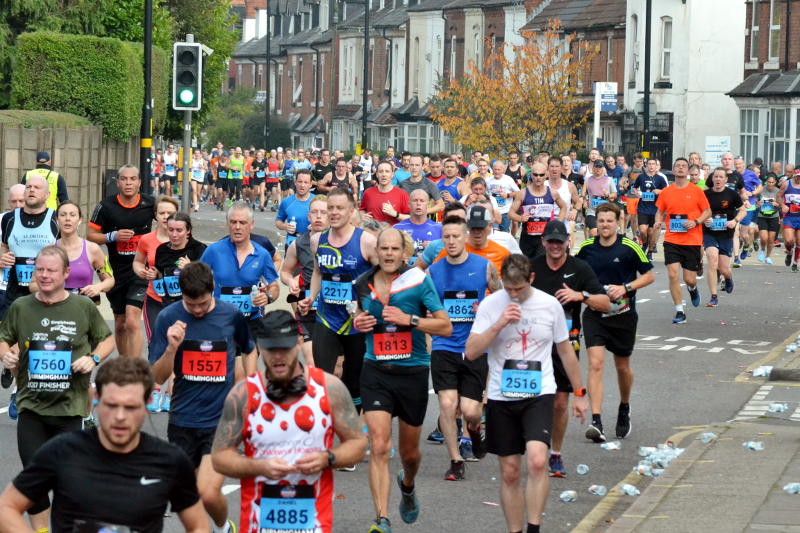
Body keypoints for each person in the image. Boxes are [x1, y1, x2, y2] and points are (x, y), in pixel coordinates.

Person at [0, 356, 208, 533]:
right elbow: (6, 508)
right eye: (111, 405)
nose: (120, 416)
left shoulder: (169, 460)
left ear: (147, 404)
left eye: (130, 407)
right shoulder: (62, 451)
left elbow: (199, 525)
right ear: (97, 399)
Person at [211, 310, 367, 533]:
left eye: (284, 348)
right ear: (259, 347)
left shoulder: (329, 388)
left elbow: (358, 445)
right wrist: (259, 466)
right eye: (270, 349)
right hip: (258, 524)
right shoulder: (243, 394)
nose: (277, 357)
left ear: (298, 343)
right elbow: (220, 458)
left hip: (314, 524)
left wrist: (328, 458)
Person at [465, 254, 588, 533]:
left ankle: (534, 528)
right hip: (500, 395)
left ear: (531, 279)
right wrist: (498, 324)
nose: (513, 294)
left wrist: (579, 392)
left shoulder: (549, 305)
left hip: (539, 392)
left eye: (519, 288)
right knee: (509, 472)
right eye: (508, 288)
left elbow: (565, 351)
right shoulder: (491, 304)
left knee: (536, 459)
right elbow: (471, 352)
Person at [0, 245, 115, 531]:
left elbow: (107, 340)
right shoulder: (21, 306)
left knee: (68, 482)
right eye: (40, 270)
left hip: (69, 409)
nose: (45, 275)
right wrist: (6, 354)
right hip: (32, 408)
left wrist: (93, 358)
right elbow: (4, 338)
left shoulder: (82, 307)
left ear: (66, 273)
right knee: (34, 480)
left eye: (51, 270)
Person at [351, 228, 451, 533]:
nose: (390, 254)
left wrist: (412, 320)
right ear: (376, 252)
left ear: (404, 252)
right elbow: (358, 315)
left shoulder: (418, 281)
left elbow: (445, 326)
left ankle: (407, 485)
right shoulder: (363, 284)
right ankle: (381, 518)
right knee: (379, 446)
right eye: (384, 249)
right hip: (376, 371)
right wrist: (359, 321)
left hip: (413, 373)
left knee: (409, 454)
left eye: (395, 248)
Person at [149, 261, 255, 533]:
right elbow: (157, 378)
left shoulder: (230, 316)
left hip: (220, 421)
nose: (196, 310)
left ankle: (221, 529)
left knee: (206, 492)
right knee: (188, 498)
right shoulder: (167, 318)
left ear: (213, 291)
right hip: (182, 420)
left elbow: (249, 348)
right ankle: (220, 529)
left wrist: (250, 385)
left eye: (203, 304)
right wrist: (172, 349)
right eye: (190, 304)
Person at [529, 220, 610, 477]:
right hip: (533, 344)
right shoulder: (532, 267)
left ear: (567, 242)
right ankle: (536, 447)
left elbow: (606, 303)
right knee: (534, 401)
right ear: (543, 242)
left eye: (559, 241)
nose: (555, 246)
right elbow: (513, 293)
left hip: (566, 343)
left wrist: (580, 296)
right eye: (550, 241)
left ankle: (555, 453)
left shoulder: (579, 268)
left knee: (560, 403)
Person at [427, 216, 502, 480]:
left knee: (471, 410)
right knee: (447, 405)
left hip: (473, 347)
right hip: (444, 346)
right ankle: (456, 460)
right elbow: (426, 306)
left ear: (466, 237)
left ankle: (475, 430)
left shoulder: (484, 267)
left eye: (456, 236)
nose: (451, 241)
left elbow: (502, 296)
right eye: (446, 237)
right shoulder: (433, 272)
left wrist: (487, 308)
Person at [575, 203, 654, 442]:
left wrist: (625, 288)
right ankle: (596, 421)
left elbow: (649, 275)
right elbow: (575, 274)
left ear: (618, 223)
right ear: (595, 224)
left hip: (623, 316)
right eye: (601, 221)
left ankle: (624, 407)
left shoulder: (629, 247)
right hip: (594, 315)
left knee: (622, 367)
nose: (605, 225)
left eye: (609, 221)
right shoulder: (587, 247)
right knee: (596, 364)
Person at [299, 189, 378, 410]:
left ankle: (353, 428)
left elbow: (382, 277)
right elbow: (317, 272)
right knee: (321, 378)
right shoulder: (317, 240)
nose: (333, 213)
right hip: (327, 317)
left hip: (355, 323)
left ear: (351, 211)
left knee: (353, 383)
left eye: (339, 208)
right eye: (330, 208)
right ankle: (322, 427)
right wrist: (311, 297)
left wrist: (366, 308)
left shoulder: (366, 241)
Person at [88, 165, 155, 358]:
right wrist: (112, 236)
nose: (128, 183)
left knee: (133, 321)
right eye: (124, 179)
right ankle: (125, 362)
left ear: (139, 182)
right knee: (120, 323)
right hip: (116, 272)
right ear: (117, 183)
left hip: (140, 270)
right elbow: (91, 235)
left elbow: (168, 219)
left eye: (132, 179)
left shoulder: (150, 203)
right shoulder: (106, 206)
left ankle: (134, 367)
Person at [200, 202, 280, 327]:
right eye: (233, 222)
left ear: (251, 225)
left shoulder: (262, 255)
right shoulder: (213, 251)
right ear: (227, 223)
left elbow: (274, 287)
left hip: (252, 322)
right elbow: (197, 281)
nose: (237, 227)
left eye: (242, 223)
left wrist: (268, 297)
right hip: (220, 321)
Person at [654, 157, 712, 324]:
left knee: (689, 279)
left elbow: (707, 211)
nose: (680, 169)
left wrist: (696, 222)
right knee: (673, 274)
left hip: (692, 240)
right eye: (677, 166)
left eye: (683, 166)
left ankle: (692, 288)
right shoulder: (666, 191)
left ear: (688, 171)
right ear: (673, 171)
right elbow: (660, 211)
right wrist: (658, 221)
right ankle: (679, 311)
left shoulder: (696, 191)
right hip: (672, 239)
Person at [0, 176, 59, 320]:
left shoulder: (56, 218)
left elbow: (68, 250)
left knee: (40, 339)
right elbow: (4, 246)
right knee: (10, 340)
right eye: (28, 187)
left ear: (47, 195)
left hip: (45, 291)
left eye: (37, 188)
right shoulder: (9, 218)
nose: (31, 190)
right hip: (14, 292)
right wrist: (1, 257)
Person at [281, 195, 329, 365]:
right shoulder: (298, 243)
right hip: (307, 307)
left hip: (333, 308)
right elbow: (285, 272)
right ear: (308, 216)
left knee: (336, 367)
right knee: (312, 361)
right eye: (314, 212)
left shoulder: (340, 241)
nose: (318, 216)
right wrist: (290, 281)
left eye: (323, 212)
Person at [133, 195, 179, 343]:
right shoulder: (146, 239)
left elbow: (199, 269)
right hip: (155, 299)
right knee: (156, 343)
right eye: (162, 213)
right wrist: (141, 271)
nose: (166, 217)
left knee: (178, 344)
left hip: (180, 300)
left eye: (170, 213)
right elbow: (138, 262)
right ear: (155, 215)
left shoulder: (186, 240)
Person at [55, 201, 114, 304]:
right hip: (55, 309)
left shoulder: (92, 249)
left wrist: (97, 287)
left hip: (84, 309)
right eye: (63, 215)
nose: (67, 218)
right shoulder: (48, 250)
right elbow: (34, 284)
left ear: (80, 220)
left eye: (72, 215)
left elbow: (110, 281)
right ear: (57, 220)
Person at [702, 168, 745, 307]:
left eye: (721, 177)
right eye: (716, 177)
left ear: (726, 179)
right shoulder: (705, 194)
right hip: (709, 232)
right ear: (712, 179)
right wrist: (704, 219)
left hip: (726, 233)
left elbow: (743, 210)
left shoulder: (732, 194)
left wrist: (735, 221)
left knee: (724, 268)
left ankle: (728, 278)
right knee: (712, 259)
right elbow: (697, 212)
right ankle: (713, 296)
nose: (718, 179)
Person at [508, 161, 567, 259]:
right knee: (529, 265)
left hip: (545, 237)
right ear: (531, 175)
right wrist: (520, 218)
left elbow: (563, 207)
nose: (538, 177)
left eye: (541, 175)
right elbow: (510, 214)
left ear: (546, 175)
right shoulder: (523, 193)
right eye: (535, 175)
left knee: (540, 263)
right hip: (527, 237)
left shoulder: (552, 193)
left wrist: (558, 222)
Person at [633, 159, 669, 260]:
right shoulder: (641, 177)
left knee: (651, 232)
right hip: (643, 208)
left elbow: (667, 191)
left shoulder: (660, 178)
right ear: (646, 165)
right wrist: (636, 192)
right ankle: (645, 244)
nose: (651, 166)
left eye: (653, 164)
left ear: (656, 166)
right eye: (649, 164)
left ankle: (650, 251)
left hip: (655, 209)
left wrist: (659, 191)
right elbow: (635, 188)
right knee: (643, 231)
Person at [394, 189, 442, 265]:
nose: (418, 203)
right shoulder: (397, 229)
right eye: (415, 200)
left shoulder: (439, 228)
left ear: (428, 204)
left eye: (422, 201)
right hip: (406, 272)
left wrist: (432, 249)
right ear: (409, 204)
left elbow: (445, 256)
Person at [276, 169, 315, 248]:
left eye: (306, 182)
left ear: (311, 184)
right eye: (300, 181)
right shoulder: (287, 202)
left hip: (312, 242)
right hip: (292, 242)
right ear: (295, 182)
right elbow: (278, 221)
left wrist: (316, 226)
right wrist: (285, 227)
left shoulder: (316, 201)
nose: (302, 185)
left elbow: (328, 223)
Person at [581, 160, 617, 237]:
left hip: (605, 212)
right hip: (592, 211)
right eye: (596, 167)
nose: (598, 169)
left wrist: (608, 195)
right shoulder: (588, 179)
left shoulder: (609, 180)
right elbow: (583, 192)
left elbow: (614, 195)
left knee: (602, 234)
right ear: (593, 168)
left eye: (600, 167)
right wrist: (584, 200)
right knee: (594, 232)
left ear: (603, 168)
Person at [486, 160, 521, 232]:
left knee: (504, 233)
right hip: (493, 211)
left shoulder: (508, 179)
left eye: (499, 169)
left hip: (505, 211)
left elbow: (518, 192)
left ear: (503, 170)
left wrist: (508, 195)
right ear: (492, 169)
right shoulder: (488, 180)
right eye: (495, 169)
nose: (497, 171)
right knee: (493, 233)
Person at [777, 168, 800, 271]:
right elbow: (779, 196)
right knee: (789, 241)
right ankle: (789, 252)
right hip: (789, 217)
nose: (798, 179)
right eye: (797, 177)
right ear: (794, 176)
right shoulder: (786, 184)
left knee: (799, 242)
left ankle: (795, 264)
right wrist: (782, 205)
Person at [757, 174, 780, 264]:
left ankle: (768, 256)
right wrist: (758, 203)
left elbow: (781, 204)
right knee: (763, 238)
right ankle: (762, 250)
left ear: (775, 182)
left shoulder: (778, 191)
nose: (770, 184)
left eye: (772, 182)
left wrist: (777, 204)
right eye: (768, 182)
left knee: (771, 239)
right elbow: (755, 199)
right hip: (762, 216)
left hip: (774, 217)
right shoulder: (761, 189)